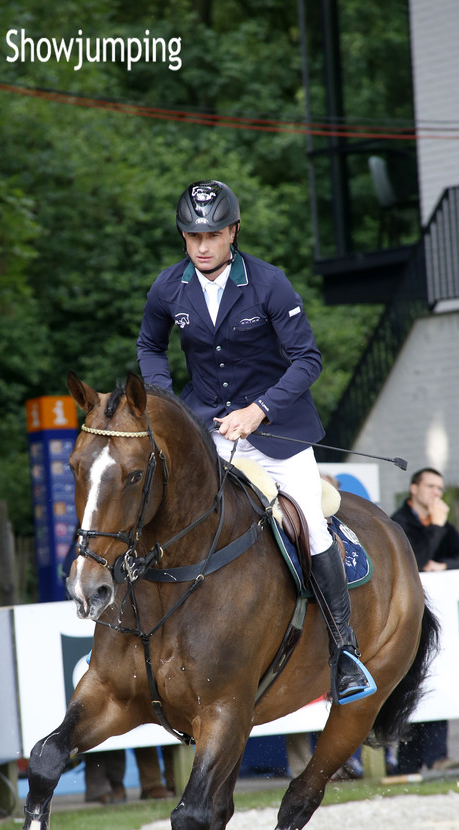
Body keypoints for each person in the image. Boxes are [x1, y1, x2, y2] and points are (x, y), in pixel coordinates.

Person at [137, 179, 375, 705]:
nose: (202, 246)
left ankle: (345, 653)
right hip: (210, 433)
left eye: (213, 235)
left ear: (233, 232)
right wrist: (166, 404)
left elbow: (307, 359)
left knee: (310, 526)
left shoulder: (268, 284)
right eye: (192, 235)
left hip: (278, 433)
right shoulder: (167, 288)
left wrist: (259, 409)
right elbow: (150, 346)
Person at [392, 467, 459, 774]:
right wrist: (436, 529)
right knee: (413, 684)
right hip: (406, 617)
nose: (436, 494)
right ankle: (407, 765)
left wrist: (443, 565)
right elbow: (413, 559)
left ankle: (435, 756)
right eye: (430, 487)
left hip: (438, 617)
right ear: (414, 489)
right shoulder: (399, 522)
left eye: (440, 489)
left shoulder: (438, 524)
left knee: (437, 680)